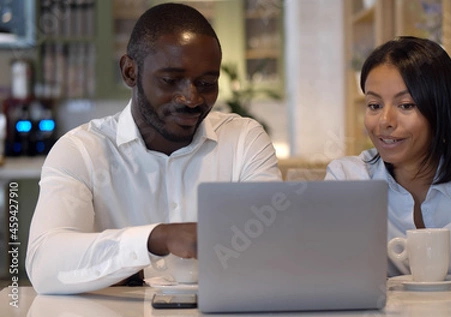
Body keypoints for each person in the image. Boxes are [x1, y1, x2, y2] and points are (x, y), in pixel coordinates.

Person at [26, 3, 281, 295]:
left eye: (207, 82)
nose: (191, 97)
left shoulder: (243, 141)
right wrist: (156, 239)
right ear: (130, 72)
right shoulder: (81, 151)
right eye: (171, 80)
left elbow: (274, 246)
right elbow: (45, 264)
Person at [325, 36, 451, 277]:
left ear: (440, 109)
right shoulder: (347, 179)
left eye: (406, 105)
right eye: (374, 105)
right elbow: (337, 282)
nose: (385, 121)